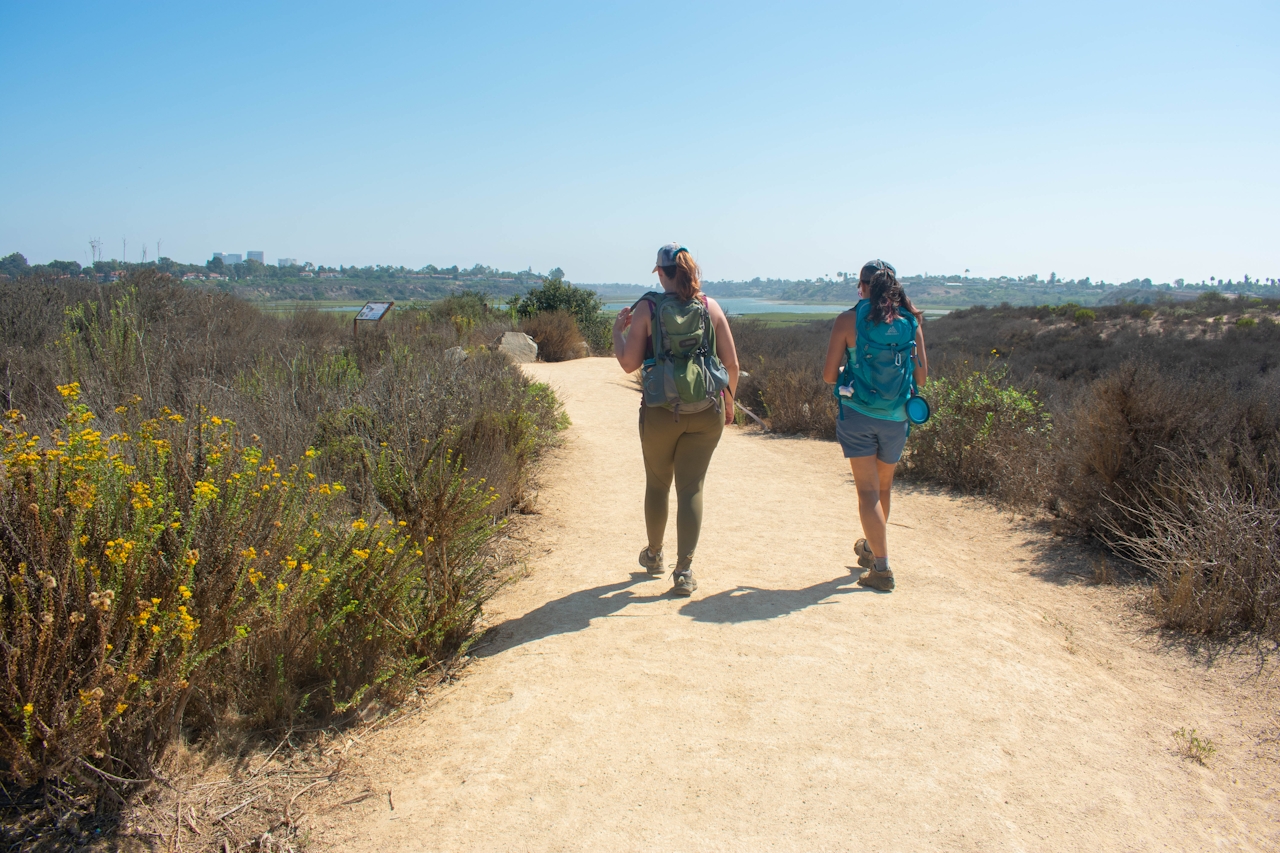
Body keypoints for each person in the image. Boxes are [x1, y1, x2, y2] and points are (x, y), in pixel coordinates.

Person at [612, 243, 740, 596]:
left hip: (659, 412)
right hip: (705, 412)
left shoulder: (647, 309)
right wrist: (729, 404)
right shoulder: (710, 307)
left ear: (660, 273)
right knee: (691, 488)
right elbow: (732, 366)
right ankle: (683, 572)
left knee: (657, 484)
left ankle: (654, 555)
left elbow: (628, 362)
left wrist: (616, 333)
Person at [822, 260, 927, 591]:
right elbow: (921, 377)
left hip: (858, 415)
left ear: (863, 287)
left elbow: (828, 376)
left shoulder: (847, 321)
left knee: (867, 492)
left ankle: (881, 569)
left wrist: (847, 376)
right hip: (896, 418)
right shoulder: (911, 321)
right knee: (882, 490)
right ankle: (870, 548)